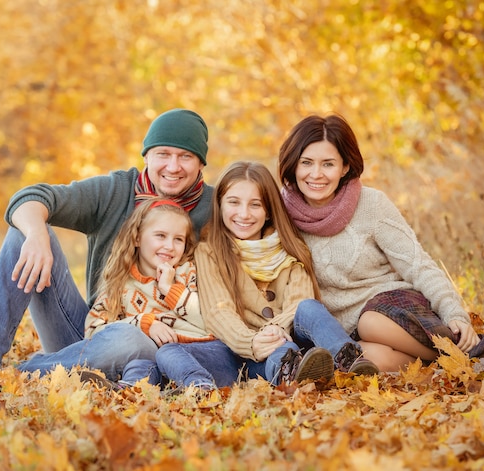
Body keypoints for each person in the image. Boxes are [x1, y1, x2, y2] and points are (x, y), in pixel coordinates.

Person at [0, 108, 214, 387]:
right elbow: (31, 197)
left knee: (132, 339)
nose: (173, 166)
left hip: (162, 349)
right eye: (163, 154)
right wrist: (37, 236)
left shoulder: (217, 209)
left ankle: (19, 377)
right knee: (23, 233)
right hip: (91, 331)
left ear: (201, 163)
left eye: (185, 156)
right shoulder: (114, 191)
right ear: (147, 156)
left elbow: (255, 228)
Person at [277, 113, 484, 372]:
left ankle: (472, 356)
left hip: (393, 309)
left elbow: (418, 264)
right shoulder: (282, 216)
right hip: (345, 332)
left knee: (370, 323)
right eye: (307, 163)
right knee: (370, 359)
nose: (316, 174)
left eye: (328, 164)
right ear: (294, 165)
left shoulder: (372, 204)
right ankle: (451, 363)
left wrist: (454, 313)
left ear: (345, 167)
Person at [156, 161, 379, 391]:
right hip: (244, 350)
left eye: (255, 205)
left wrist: (275, 330)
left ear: (269, 211)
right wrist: (251, 342)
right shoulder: (210, 251)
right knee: (171, 352)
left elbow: (297, 303)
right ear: (220, 204)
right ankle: (285, 375)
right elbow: (218, 310)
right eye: (233, 202)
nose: (244, 214)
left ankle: (348, 360)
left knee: (309, 308)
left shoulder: (289, 247)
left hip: (292, 338)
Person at [14, 198, 215, 386]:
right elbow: (95, 332)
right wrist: (143, 324)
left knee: (131, 343)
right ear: (137, 238)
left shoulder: (188, 272)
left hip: (189, 353)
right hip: (140, 355)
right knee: (127, 338)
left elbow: (211, 320)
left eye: (178, 239)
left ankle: (32, 369)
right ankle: (46, 371)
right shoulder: (121, 283)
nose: (169, 246)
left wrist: (170, 290)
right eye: (160, 236)